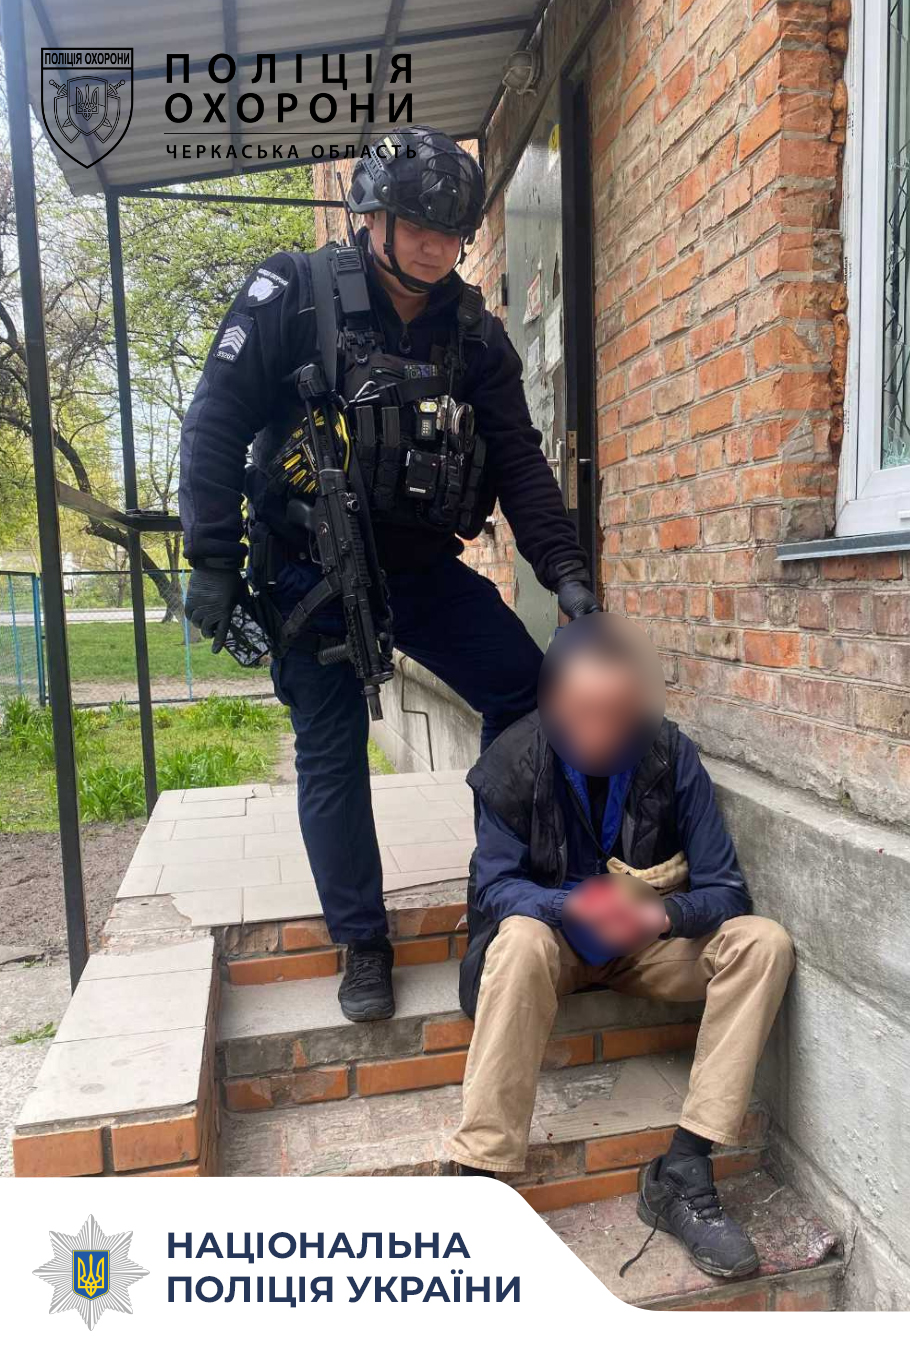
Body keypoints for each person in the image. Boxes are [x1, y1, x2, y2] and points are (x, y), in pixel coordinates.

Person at [178, 127, 598, 1025]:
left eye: (452, 233)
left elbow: (518, 459)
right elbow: (214, 421)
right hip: (309, 568)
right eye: (420, 228)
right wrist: (211, 558)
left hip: (417, 567)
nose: (437, 248)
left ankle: (498, 899)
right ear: (371, 216)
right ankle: (361, 942)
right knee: (332, 750)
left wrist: (564, 570)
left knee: (528, 691)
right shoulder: (292, 293)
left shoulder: (474, 334)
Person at [448, 616, 795, 1280]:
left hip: (641, 943)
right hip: (551, 944)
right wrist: (569, 907)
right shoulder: (510, 763)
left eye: (614, 714)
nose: (599, 731)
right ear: (554, 704)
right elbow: (494, 888)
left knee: (764, 943)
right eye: (584, 713)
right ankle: (480, 1173)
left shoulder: (672, 756)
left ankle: (683, 1168)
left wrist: (661, 916)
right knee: (518, 938)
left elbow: (727, 891)